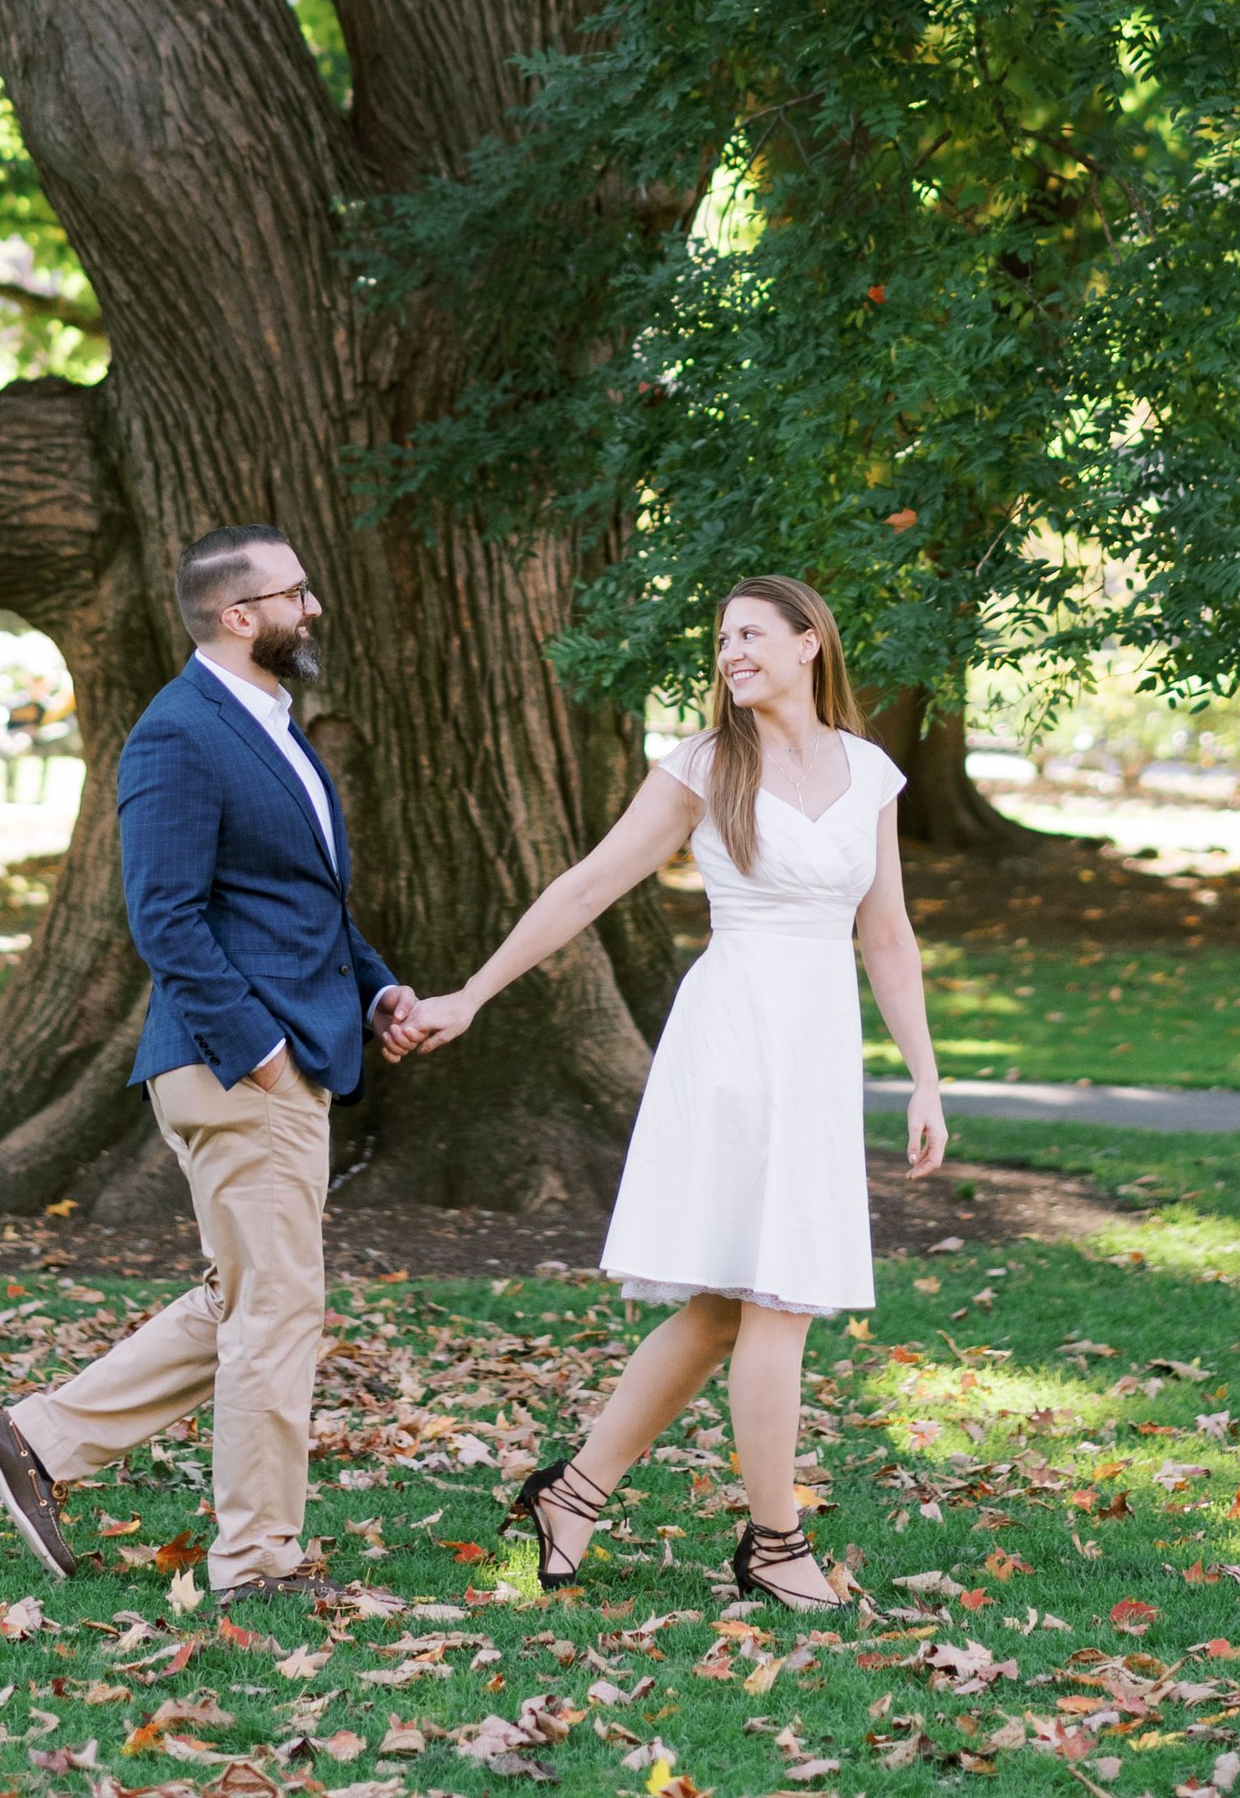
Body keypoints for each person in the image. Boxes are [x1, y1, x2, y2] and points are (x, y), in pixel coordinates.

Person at [402, 573, 945, 1611]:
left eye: (750, 632)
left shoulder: (869, 771)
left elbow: (885, 935)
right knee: (775, 1298)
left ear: (805, 643)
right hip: (733, 1037)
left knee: (717, 1312)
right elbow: (590, 884)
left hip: (818, 1045)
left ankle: (574, 1490)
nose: (731, 651)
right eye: (721, 638)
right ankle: (776, 1544)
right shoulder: (704, 764)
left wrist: (923, 1076)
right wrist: (472, 993)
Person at [0, 525, 418, 1596]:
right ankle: (256, 1562)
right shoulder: (179, 733)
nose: (312, 608)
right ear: (237, 614)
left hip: (284, 1050)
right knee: (275, 1310)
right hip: (236, 1065)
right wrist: (259, 1051)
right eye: (293, 593)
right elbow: (164, 919)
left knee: (247, 1295)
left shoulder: (273, 726)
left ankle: (36, 1441)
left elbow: (295, 903)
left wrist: (377, 987)